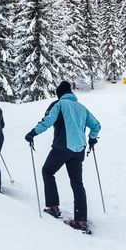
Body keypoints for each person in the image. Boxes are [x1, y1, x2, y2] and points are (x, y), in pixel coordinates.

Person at [24, 81, 101, 232]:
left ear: (59, 94)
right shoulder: (82, 108)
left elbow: (47, 122)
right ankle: (81, 220)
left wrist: (32, 133)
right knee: (77, 183)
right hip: (79, 150)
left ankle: (53, 207)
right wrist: (92, 138)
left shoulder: (59, 104)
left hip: (62, 147)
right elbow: (96, 125)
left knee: (47, 171)